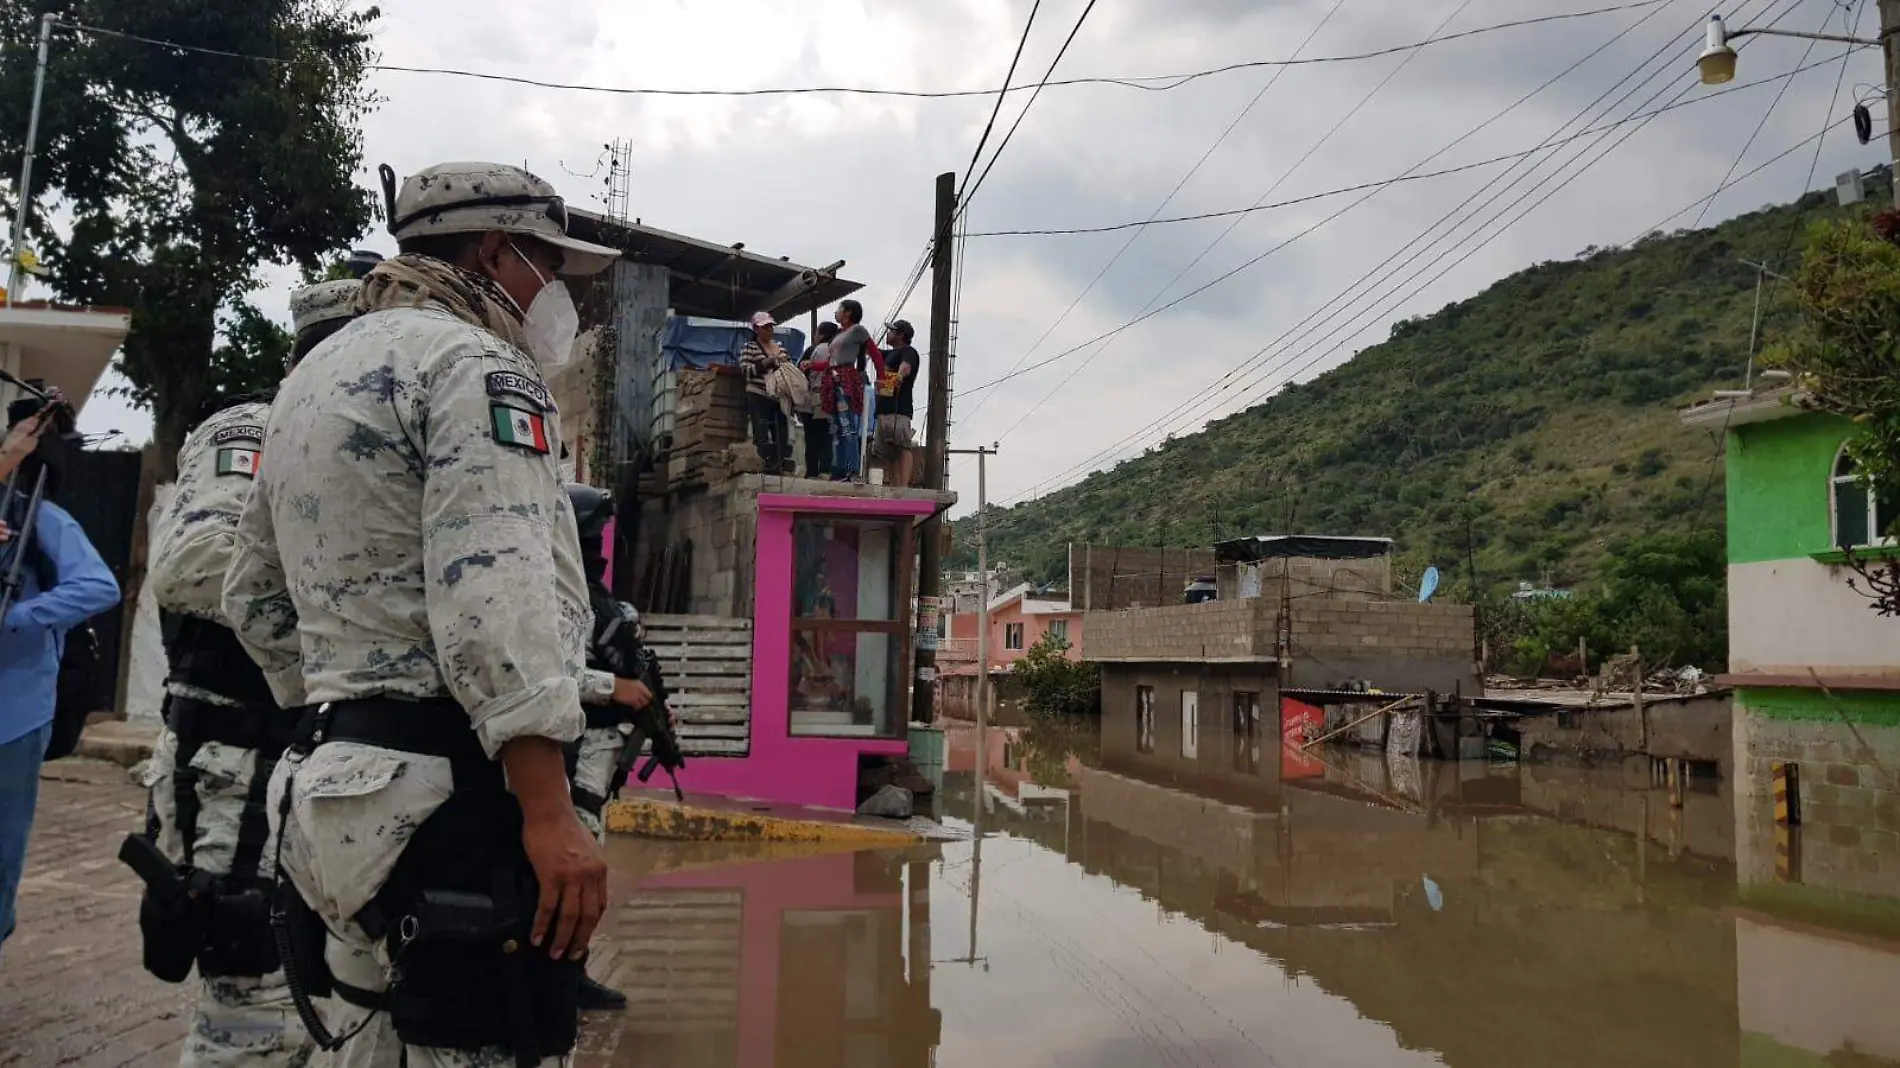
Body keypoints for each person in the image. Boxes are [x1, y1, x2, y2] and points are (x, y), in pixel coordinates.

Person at [221, 161, 650, 1068]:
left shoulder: (311, 378)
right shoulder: (475, 366)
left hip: (328, 797)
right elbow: (494, 596)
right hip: (449, 803)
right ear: (496, 249)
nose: (559, 295)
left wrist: (346, 715)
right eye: (550, 266)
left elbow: (252, 596)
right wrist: (546, 810)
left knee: (369, 1045)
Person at [132, 276, 368, 1067]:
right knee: (251, 998)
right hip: (239, 758)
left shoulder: (378, 444)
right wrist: (358, 610)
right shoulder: (254, 428)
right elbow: (194, 567)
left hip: (333, 764)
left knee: (333, 997)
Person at [0, 393, 120, 965]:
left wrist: (18, 619)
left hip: (14, 712)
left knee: (0, 854)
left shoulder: (40, 519)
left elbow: (99, 587)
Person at [825, 300, 880, 482]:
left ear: (847, 312)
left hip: (845, 380)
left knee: (847, 427)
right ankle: (839, 470)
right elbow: (829, 362)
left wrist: (881, 377)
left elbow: (875, 353)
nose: (836, 313)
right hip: (832, 380)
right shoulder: (839, 334)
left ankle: (853, 470)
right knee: (836, 429)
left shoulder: (857, 330)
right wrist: (811, 365)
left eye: (839, 309)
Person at [739, 311, 790, 473]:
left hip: (778, 397)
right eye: (765, 327)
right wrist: (764, 363)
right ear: (756, 329)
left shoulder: (780, 347)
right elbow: (745, 371)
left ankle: (778, 464)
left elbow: (788, 368)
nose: (769, 330)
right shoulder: (750, 348)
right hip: (758, 394)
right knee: (761, 431)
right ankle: (764, 463)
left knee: (781, 431)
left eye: (770, 326)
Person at [875, 319, 920, 488]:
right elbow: (872, 352)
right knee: (890, 452)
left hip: (899, 409)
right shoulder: (888, 354)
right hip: (883, 410)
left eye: (892, 331)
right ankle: (895, 487)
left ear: (901, 335)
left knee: (902, 446)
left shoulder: (909, 352)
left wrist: (899, 377)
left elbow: (906, 367)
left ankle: (902, 487)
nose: (888, 334)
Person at [798, 321, 838, 479]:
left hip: (815, 397)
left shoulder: (816, 349)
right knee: (827, 435)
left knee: (813, 435)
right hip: (834, 398)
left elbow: (800, 372)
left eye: (816, 333)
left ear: (821, 334)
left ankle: (813, 471)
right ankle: (826, 470)